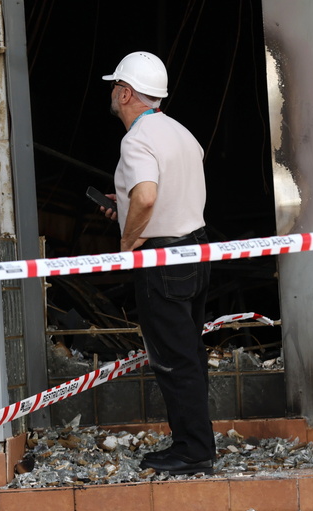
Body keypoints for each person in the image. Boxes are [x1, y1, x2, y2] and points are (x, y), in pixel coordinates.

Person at [99, 51, 214, 475]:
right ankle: (194, 441)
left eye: (116, 87)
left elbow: (147, 196)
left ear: (127, 93)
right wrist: (125, 204)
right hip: (197, 250)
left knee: (173, 358)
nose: (113, 93)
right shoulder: (181, 133)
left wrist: (129, 240)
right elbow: (157, 193)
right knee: (190, 353)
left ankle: (194, 451)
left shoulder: (136, 140)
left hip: (163, 261)